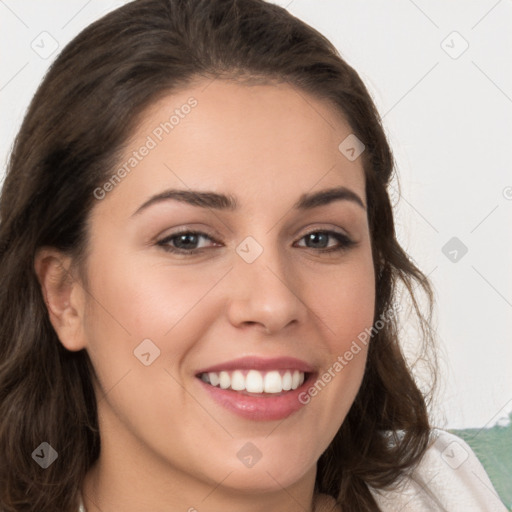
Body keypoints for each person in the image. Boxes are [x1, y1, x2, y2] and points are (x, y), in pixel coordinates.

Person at [0, 0, 506, 511]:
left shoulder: (447, 490)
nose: (272, 303)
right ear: (65, 296)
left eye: (320, 238)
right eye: (188, 240)